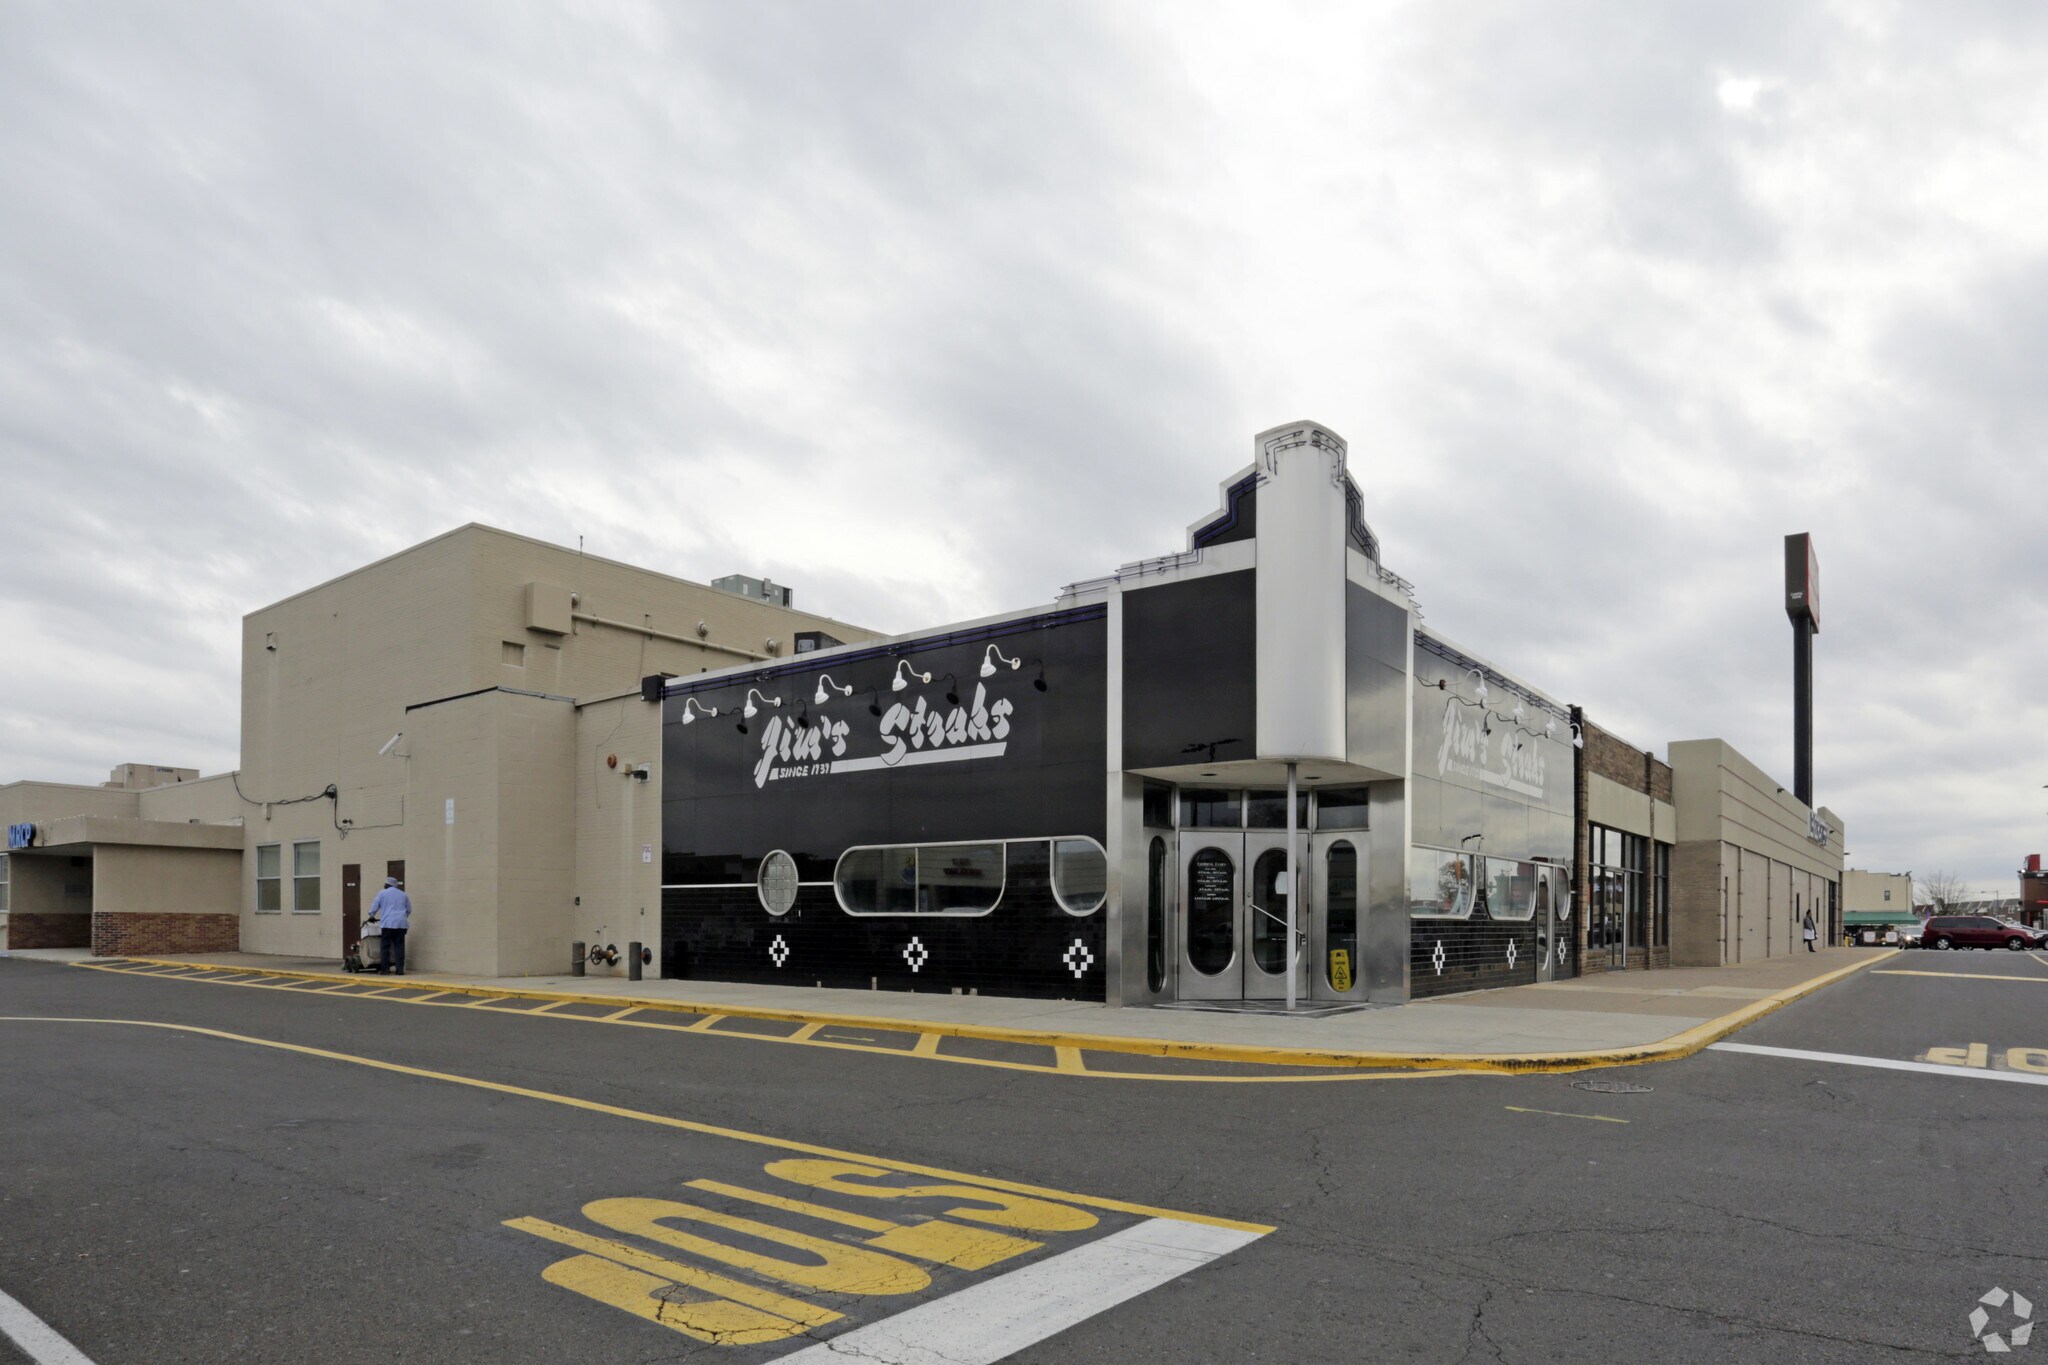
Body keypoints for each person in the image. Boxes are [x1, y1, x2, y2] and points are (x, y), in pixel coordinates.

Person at [370, 876, 412, 975]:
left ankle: (385, 969)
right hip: (401, 924)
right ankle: (400, 969)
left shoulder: (382, 893)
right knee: (399, 946)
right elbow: (409, 909)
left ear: (387, 884)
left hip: (387, 924)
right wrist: (402, 917)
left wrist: (371, 915)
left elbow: (375, 905)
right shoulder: (403, 894)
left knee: (385, 946)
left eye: (385, 884)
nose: (384, 885)